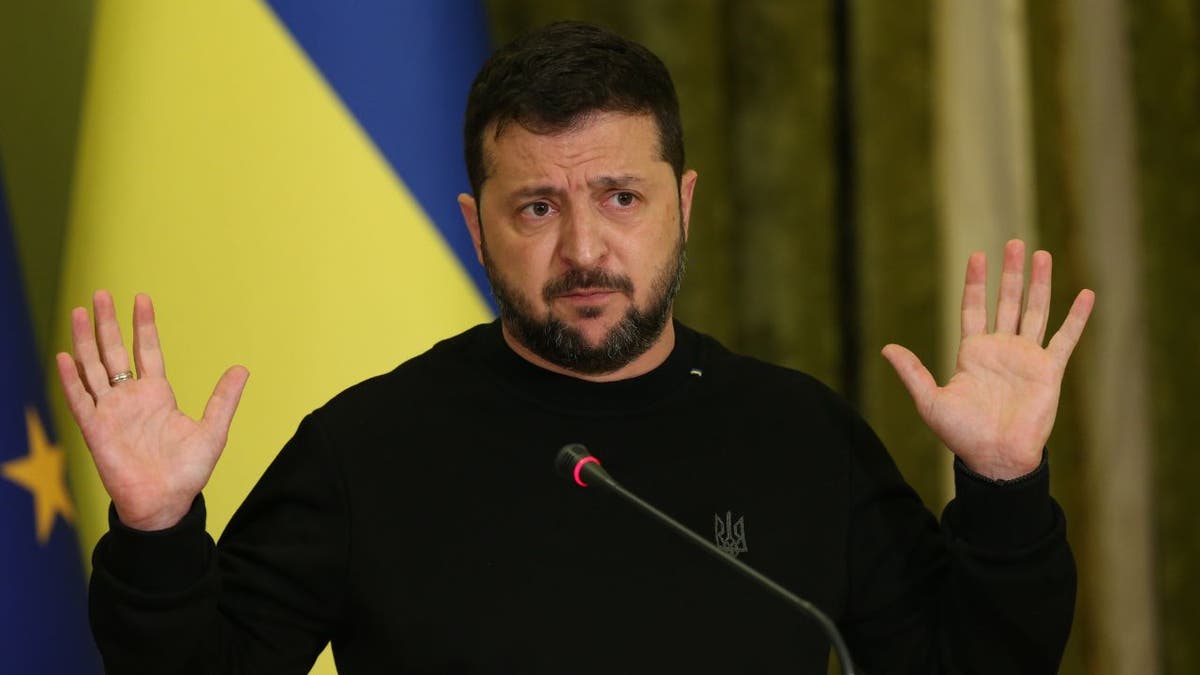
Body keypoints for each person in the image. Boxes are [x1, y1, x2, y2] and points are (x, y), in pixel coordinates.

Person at [58, 21, 1094, 675]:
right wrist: (158, 533)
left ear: (683, 207)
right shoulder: (366, 449)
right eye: (537, 206)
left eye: (621, 198)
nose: (584, 249)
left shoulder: (798, 434)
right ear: (475, 227)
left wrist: (1003, 489)